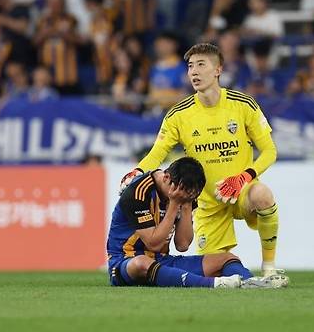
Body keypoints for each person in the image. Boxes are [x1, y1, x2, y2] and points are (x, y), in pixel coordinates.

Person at [119, 43, 287, 284]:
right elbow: (157, 154)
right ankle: (245, 283)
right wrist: (137, 171)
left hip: (241, 190)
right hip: (207, 203)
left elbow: (270, 151)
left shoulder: (243, 104)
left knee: (263, 195)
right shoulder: (179, 114)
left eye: (201, 65)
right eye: (190, 67)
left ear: (218, 70)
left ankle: (269, 268)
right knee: (216, 267)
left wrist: (244, 178)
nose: (194, 72)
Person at [108, 156, 278, 288]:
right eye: (181, 194)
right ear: (166, 178)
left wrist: (187, 205)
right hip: (125, 261)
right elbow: (153, 243)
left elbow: (182, 244)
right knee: (142, 263)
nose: (183, 197)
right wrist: (174, 204)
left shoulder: (187, 193)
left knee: (227, 258)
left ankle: (249, 282)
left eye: (190, 196)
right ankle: (213, 284)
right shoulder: (138, 192)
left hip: (161, 260)